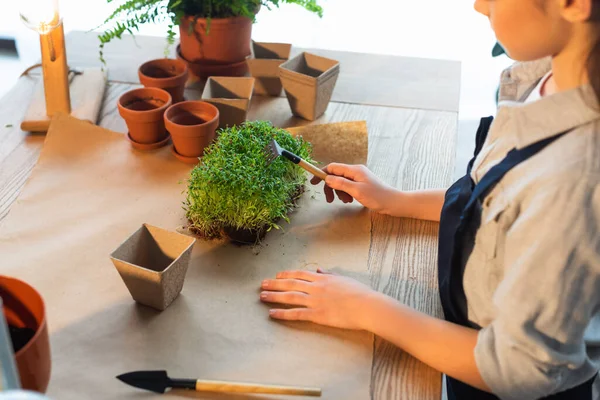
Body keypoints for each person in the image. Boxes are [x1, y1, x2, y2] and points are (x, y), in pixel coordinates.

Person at [259, 0, 600, 399]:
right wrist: (396, 200)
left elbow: (518, 368)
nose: (478, 5)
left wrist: (366, 308)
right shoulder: (544, 78)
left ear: (574, 4)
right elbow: (493, 207)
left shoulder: (575, 182)